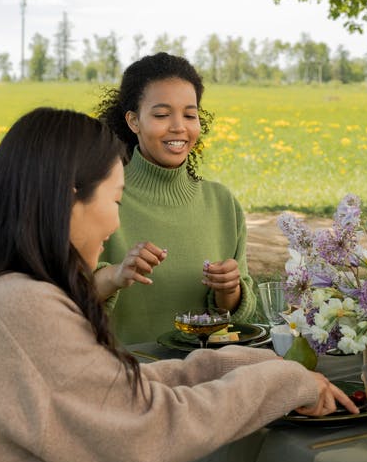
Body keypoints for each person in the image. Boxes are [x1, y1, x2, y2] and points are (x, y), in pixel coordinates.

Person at [0, 107, 358, 462]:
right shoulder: (24, 306)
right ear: (70, 196)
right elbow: (147, 424)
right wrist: (281, 380)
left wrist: (237, 363)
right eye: (115, 200)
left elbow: (111, 388)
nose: (115, 221)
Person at [95, 52, 257, 344]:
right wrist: (116, 274)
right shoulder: (99, 199)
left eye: (189, 114)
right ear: (133, 121)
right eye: (161, 115)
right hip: (129, 377)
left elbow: (237, 317)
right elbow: (64, 299)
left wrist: (229, 290)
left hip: (206, 378)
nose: (179, 126)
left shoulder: (222, 204)